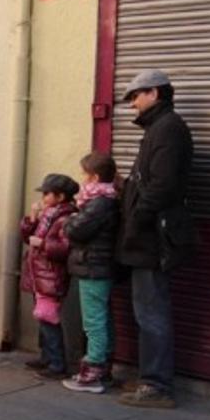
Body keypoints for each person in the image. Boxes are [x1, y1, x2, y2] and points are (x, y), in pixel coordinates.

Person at [116, 69, 195, 409]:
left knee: (152, 312)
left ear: (155, 94)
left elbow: (161, 187)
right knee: (147, 310)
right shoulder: (159, 129)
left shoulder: (168, 129)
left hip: (152, 236)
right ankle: (151, 376)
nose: (133, 103)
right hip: (146, 234)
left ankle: (157, 385)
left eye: (136, 95)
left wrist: (136, 219)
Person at [61, 152, 120, 394]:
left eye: (84, 174)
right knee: (101, 319)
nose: (82, 179)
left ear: (94, 177)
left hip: (93, 267)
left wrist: (69, 220)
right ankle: (103, 368)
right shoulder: (107, 199)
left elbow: (75, 230)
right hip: (99, 266)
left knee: (93, 322)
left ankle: (93, 372)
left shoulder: (99, 203)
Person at [20, 174, 79, 380]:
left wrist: (42, 244)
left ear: (60, 196)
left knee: (49, 319)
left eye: (47, 194)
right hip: (40, 275)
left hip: (51, 276)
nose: (43, 197)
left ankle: (56, 364)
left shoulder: (65, 218)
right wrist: (32, 218)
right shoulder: (48, 214)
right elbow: (27, 236)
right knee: (43, 317)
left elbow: (64, 248)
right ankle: (46, 356)